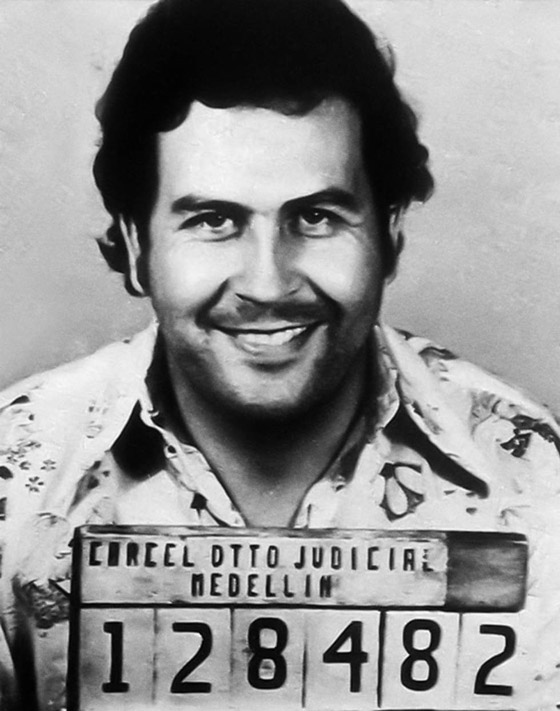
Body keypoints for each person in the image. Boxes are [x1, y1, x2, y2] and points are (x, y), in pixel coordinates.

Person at [0, 0, 559, 708]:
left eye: (317, 217)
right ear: (137, 247)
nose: (268, 284)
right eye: (213, 220)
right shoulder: (13, 489)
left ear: (389, 235)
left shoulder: (538, 484)